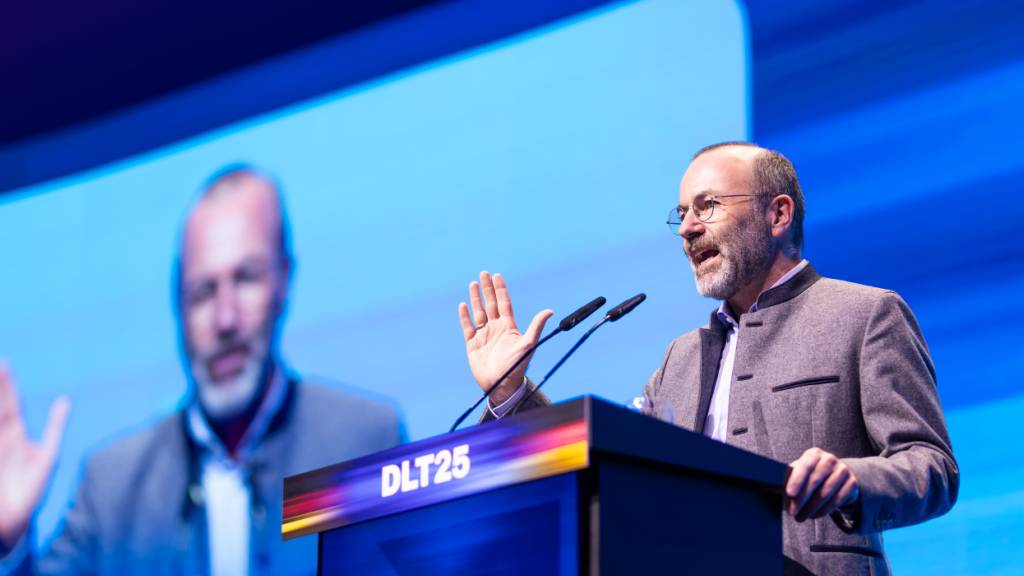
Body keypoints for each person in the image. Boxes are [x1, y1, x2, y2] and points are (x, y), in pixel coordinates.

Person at [457, 142, 958, 575]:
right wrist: (511, 393)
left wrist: (852, 480)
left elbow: (931, 468)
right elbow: (608, 471)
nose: (687, 229)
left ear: (777, 214)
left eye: (708, 206)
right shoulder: (682, 357)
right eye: (682, 213)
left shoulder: (864, 314)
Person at [0, 166, 404, 575]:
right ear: (177, 305)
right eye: (202, 292)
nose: (225, 319)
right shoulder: (110, 488)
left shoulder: (364, 442)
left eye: (246, 278)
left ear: (283, 281)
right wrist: (9, 543)